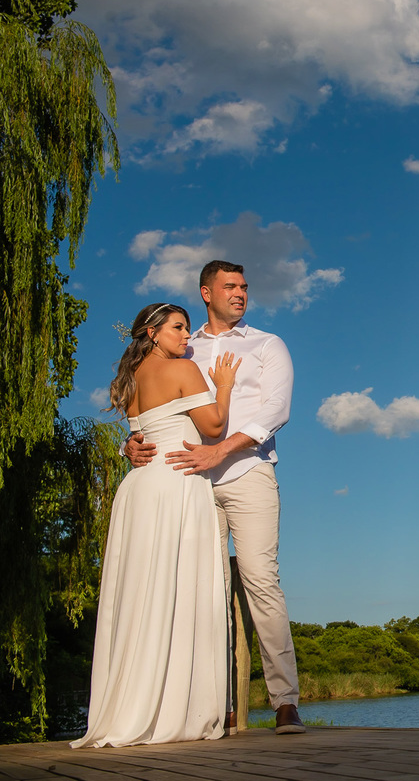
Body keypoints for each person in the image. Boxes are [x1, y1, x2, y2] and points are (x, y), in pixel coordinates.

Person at [126, 260, 305, 734]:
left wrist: (221, 449)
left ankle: (285, 701)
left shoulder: (268, 344)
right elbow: (152, 402)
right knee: (205, 590)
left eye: (245, 286)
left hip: (248, 473)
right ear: (206, 293)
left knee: (260, 581)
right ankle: (217, 705)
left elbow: (276, 409)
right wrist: (134, 440)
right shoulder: (183, 346)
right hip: (191, 483)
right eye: (230, 286)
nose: (240, 293)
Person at [73, 303, 241, 748]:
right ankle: (172, 708)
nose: (187, 337)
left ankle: (131, 704)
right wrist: (223, 386)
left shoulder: (130, 381)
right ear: (153, 332)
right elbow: (215, 426)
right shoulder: (184, 370)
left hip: (138, 489)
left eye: (187, 328)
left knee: (140, 594)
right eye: (179, 328)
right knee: (179, 587)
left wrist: (130, 445)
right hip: (175, 484)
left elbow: (137, 435)